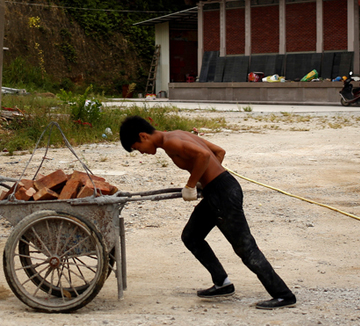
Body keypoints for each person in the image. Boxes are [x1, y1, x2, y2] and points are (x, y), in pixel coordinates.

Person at [119, 115, 297, 310]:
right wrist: (207, 180)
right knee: (191, 236)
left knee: (245, 248)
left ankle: (283, 295)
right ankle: (222, 283)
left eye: (137, 149)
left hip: (223, 194)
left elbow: (203, 156)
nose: (142, 153)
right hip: (217, 191)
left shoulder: (171, 143)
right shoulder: (177, 135)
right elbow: (218, 152)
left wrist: (191, 185)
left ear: (143, 136)